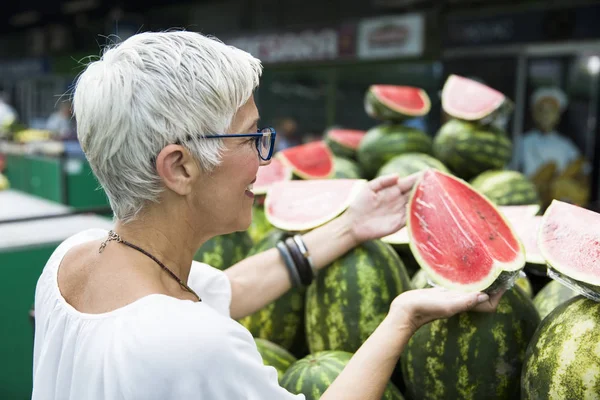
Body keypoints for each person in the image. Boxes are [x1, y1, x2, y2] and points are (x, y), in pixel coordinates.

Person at [32, 31, 504, 400]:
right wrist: (401, 318)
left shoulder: (71, 260)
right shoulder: (193, 344)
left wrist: (349, 225)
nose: (264, 160)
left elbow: (229, 289)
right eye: (250, 137)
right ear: (179, 167)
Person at [514, 87, 591, 207]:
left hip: (558, 202)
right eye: (542, 110)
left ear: (558, 116)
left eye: (551, 111)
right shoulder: (523, 142)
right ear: (534, 114)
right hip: (529, 201)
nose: (546, 115)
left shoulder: (565, 144)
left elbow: (584, 169)